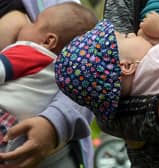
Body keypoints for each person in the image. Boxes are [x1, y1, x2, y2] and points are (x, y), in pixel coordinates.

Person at [55, 19, 159, 167]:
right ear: (126, 66)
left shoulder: (138, 101)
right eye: (126, 37)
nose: (133, 34)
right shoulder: (156, 59)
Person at [0, 1, 98, 168]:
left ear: (48, 41)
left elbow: (93, 71)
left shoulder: (28, 52)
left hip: (48, 152)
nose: (27, 23)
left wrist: (54, 123)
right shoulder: (57, 67)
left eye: (34, 22)